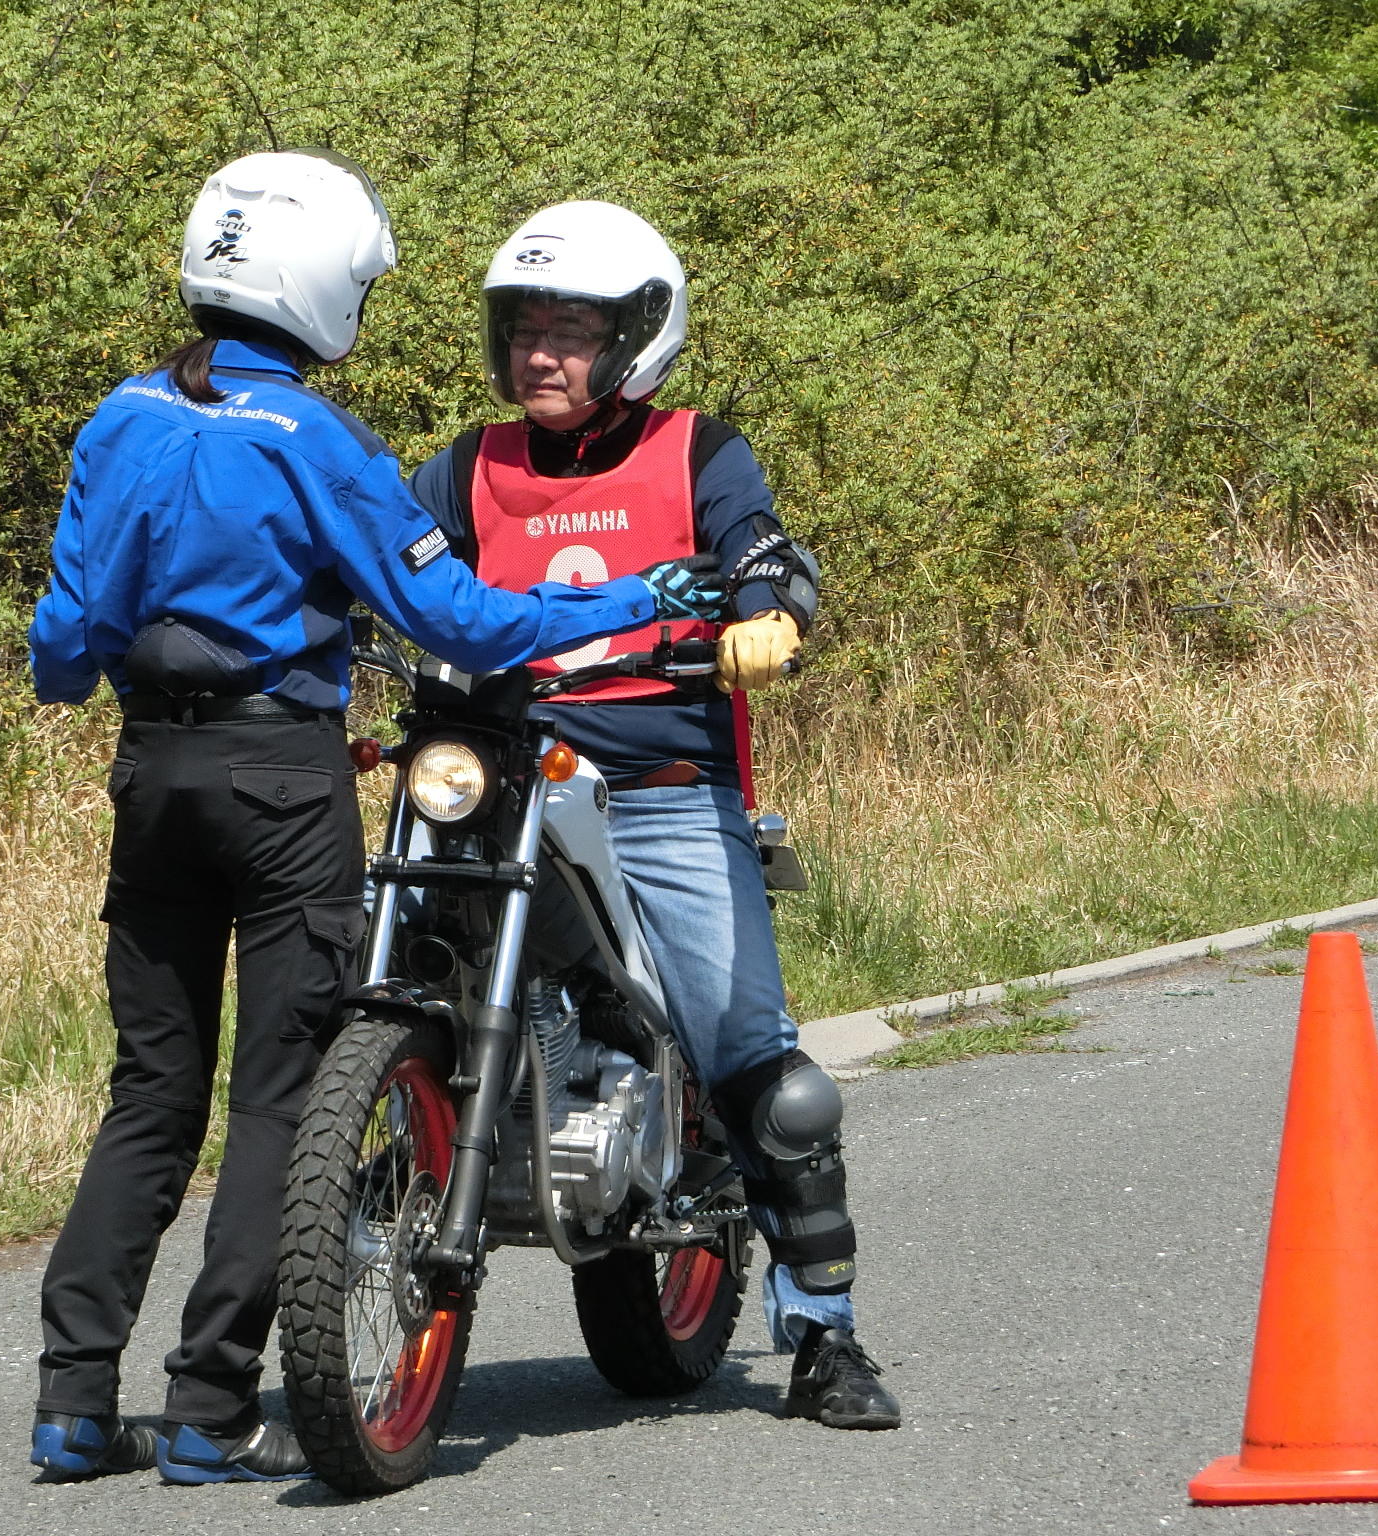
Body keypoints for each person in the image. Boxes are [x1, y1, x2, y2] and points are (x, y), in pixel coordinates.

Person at [24, 156, 727, 1485]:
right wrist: (631, 599)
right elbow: (463, 618)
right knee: (281, 1097)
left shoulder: (117, 421)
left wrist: (134, 657)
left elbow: (65, 644)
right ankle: (204, 1404)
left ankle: (71, 1401)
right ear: (317, 281)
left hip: (149, 784)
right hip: (281, 785)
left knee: (149, 1093)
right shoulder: (319, 444)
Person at [410, 201, 903, 1430]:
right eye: (523, 327)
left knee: (757, 1062)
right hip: (498, 775)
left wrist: (769, 610)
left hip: (661, 785)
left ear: (634, 338)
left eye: (569, 329)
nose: (539, 353)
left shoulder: (697, 451)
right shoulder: (464, 466)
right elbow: (381, 558)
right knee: (356, 997)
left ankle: (824, 1334)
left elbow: (763, 550)